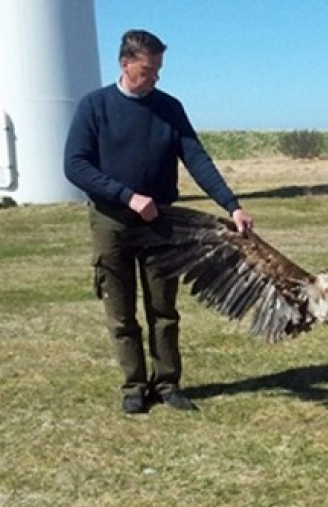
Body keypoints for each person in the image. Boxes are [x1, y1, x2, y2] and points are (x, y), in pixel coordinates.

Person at [64, 29, 253, 415]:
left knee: (164, 309)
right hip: (111, 222)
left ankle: (168, 384)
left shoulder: (169, 107)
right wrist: (126, 196)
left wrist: (231, 205)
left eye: (158, 70)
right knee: (120, 311)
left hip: (162, 225)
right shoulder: (94, 106)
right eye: (148, 70)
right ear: (125, 64)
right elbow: (75, 165)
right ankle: (134, 387)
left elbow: (197, 159)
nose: (155, 78)